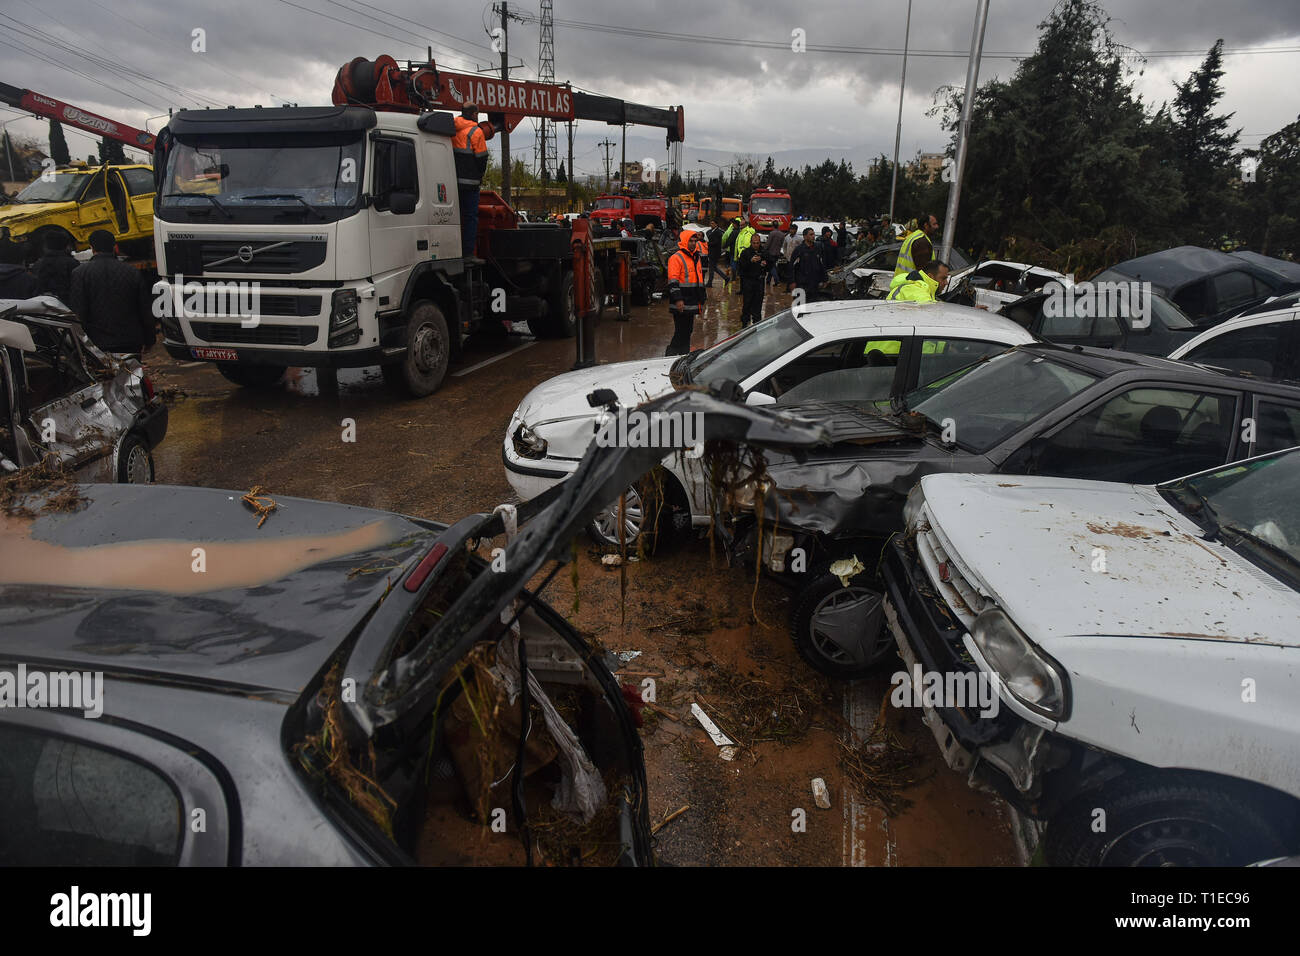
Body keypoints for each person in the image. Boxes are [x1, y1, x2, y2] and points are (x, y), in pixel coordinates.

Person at [68, 230, 155, 355]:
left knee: (105, 374)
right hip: (130, 340)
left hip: (97, 342)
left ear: (91, 248)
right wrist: (149, 339)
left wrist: (80, 343)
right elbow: (144, 308)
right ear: (115, 247)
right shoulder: (131, 271)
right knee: (131, 373)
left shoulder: (80, 273)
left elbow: (79, 311)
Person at [452, 103, 492, 257]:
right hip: (470, 184)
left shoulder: (451, 127)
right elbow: (482, 158)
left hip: (451, 181)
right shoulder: (476, 132)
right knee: (470, 218)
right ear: (474, 114)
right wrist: (479, 176)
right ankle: (468, 253)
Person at [665, 229, 706, 356]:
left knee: (688, 331)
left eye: (695, 241)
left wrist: (702, 297)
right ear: (684, 242)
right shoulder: (676, 258)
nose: (693, 243)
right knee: (681, 332)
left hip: (692, 301)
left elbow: (699, 279)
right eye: (691, 241)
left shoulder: (696, 257)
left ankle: (683, 356)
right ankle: (669, 358)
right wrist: (678, 299)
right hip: (682, 302)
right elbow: (673, 281)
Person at [31, 231, 80, 303]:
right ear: (66, 245)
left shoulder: (38, 265)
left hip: (47, 306)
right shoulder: (72, 263)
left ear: (46, 246)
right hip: (70, 305)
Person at [787, 228, 827, 305]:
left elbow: (822, 264)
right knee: (799, 309)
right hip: (801, 284)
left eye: (814, 234)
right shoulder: (799, 250)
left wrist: (825, 279)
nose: (813, 236)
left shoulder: (818, 248)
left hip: (814, 284)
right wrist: (792, 282)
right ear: (805, 237)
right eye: (811, 234)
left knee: (812, 308)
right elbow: (791, 266)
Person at [737, 232, 768, 327]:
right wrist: (750, 261)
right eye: (754, 243)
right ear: (751, 242)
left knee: (758, 305)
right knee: (747, 303)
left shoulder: (764, 252)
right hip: (748, 281)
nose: (756, 245)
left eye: (757, 243)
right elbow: (741, 268)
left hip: (760, 282)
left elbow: (771, 264)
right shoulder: (745, 252)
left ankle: (757, 324)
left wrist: (765, 264)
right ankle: (744, 324)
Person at [895, 212, 938, 276]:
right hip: (912, 284)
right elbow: (924, 273)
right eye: (934, 224)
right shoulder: (922, 242)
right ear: (926, 225)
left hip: (903, 283)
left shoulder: (913, 236)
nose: (937, 226)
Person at [719, 218, 739, 289]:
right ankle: (737, 276)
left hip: (732, 250)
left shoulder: (733, 232)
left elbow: (727, 240)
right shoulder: (741, 231)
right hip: (740, 251)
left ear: (735, 224)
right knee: (737, 264)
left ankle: (733, 278)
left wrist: (724, 246)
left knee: (733, 263)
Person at [704, 219, 724, 288]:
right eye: (710, 223)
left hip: (715, 253)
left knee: (711, 268)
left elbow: (716, 242)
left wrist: (707, 244)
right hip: (711, 252)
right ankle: (726, 278)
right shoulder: (712, 231)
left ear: (716, 224)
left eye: (712, 223)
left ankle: (709, 283)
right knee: (713, 268)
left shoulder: (718, 232)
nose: (711, 225)